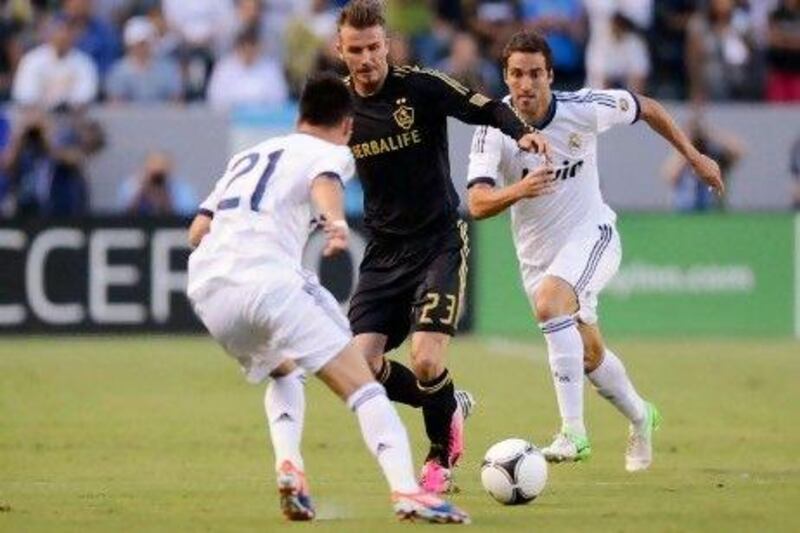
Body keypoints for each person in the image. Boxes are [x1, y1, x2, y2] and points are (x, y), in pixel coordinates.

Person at [185, 73, 469, 524]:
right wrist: (335, 223)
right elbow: (324, 181)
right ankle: (407, 491)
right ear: (347, 124)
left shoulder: (250, 154)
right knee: (364, 386)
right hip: (270, 285)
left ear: (300, 115)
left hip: (209, 293)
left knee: (285, 371)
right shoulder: (329, 151)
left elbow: (197, 232)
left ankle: (290, 466)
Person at [466, 31, 723, 470]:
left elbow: (648, 108)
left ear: (549, 75)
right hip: (538, 257)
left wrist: (694, 156)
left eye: (534, 74)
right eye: (515, 75)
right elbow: (477, 202)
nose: (525, 85)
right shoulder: (493, 129)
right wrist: (520, 190)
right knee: (588, 354)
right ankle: (642, 417)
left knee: (551, 302)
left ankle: (573, 433)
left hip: (594, 234)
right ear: (505, 77)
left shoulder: (582, 108)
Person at [335, 0, 548, 493]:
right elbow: (308, 159)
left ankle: (438, 462)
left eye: (373, 47)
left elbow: (486, 107)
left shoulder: (421, 88)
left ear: (387, 44)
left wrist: (524, 133)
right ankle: (451, 404)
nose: (366, 58)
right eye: (355, 50)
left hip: (437, 243)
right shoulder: (335, 104)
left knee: (427, 359)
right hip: (383, 252)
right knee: (358, 367)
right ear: (340, 50)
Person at [662, 114, 744, 212]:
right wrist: (687, 148)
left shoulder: (714, 154)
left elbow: (738, 152)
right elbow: (669, 177)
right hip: (684, 209)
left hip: (712, 209)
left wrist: (711, 134)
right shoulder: (681, 157)